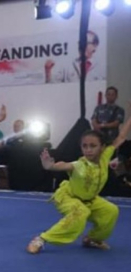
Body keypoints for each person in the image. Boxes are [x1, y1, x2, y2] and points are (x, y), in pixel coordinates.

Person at [26, 103, 131, 254]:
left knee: (111, 210)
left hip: (91, 199)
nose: (88, 150)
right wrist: (50, 166)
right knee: (80, 213)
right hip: (69, 197)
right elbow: (64, 165)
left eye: (92, 146)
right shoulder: (80, 164)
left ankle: (92, 239)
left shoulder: (105, 156)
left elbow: (121, 137)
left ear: (102, 147)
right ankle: (41, 239)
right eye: (85, 146)